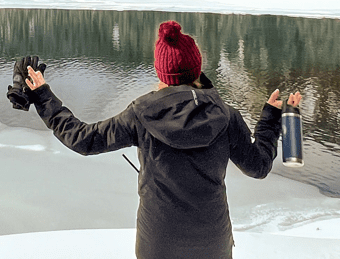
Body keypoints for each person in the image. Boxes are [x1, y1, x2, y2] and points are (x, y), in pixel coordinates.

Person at [20, 20, 302, 259]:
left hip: (157, 244)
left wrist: (43, 97)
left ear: (161, 72)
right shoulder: (226, 115)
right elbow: (258, 167)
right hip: (212, 243)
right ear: (197, 68)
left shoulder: (141, 113)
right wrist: (270, 118)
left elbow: (83, 139)